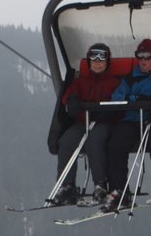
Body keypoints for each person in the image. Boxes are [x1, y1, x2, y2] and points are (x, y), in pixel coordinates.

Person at [104, 38, 151, 213]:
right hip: (132, 119)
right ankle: (119, 189)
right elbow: (116, 98)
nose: (143, 61)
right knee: (116, 142)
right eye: (140, 57)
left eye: (147, 57)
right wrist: (134, 99)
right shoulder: (131, 78)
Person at [51, 43, 120, 205]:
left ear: (107, 62)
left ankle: (100, 184)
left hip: (104, 122)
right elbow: (69, 94)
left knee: (93, 141)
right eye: (93, 59)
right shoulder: (81, 81)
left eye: (101, 59)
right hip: (83, 121)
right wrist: (71, 99)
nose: (97, 62)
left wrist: (109, 109)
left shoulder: (113, 82)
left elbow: (119, 98)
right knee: (66, 142)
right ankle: (67, 185)